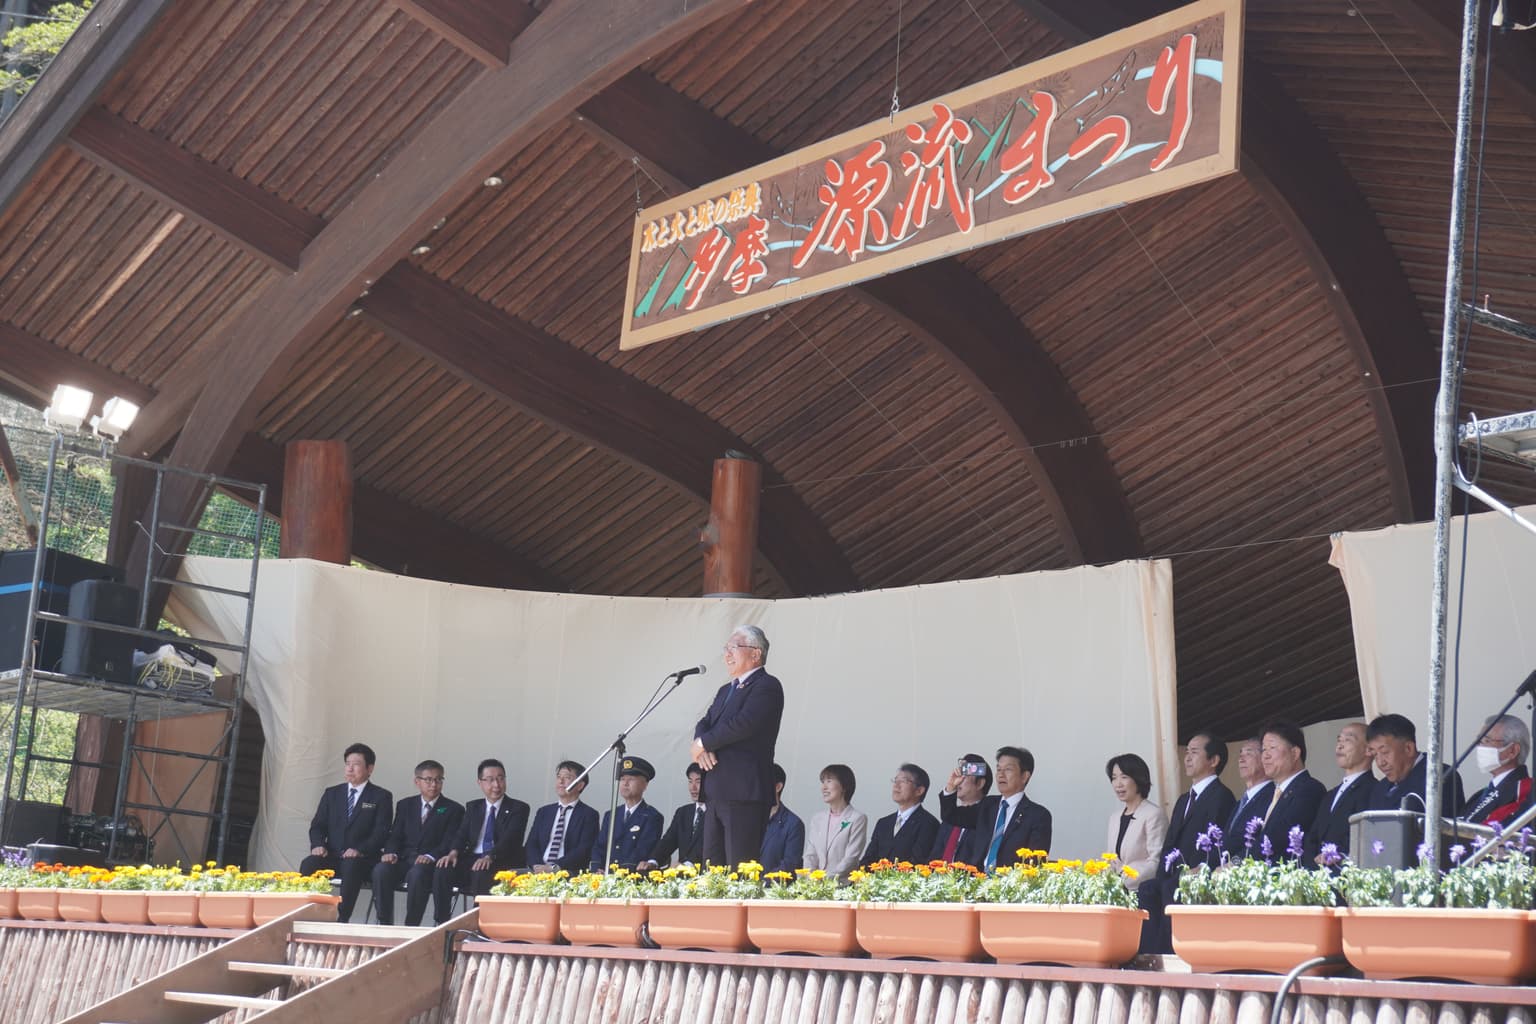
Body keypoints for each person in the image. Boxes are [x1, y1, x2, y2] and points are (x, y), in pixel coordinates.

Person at [693, 625, 784, 867]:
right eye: (725, 649)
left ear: (755, 653)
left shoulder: (767, 685)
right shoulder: (726, 690)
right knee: (713, 869)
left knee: (739, 868)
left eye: (733, 648)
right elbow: (705, 721)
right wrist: (700, 744)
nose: (727, 654)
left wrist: (704, 743)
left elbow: (744, 724)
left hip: (744, 791)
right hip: (715, 790)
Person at [1137, 732, 1233, 955]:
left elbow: (1217, 841)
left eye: (1195, 752)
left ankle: (1168, 956)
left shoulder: (1221, 796)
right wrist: (1161, 874)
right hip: (1174, 873)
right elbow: (1170, 841)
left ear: (1214, 760)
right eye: (1186, 752)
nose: (1187, 757)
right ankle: (1147, 956)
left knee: (1172, 888)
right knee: (1149, 888)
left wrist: (1200, 869)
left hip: (1197, 873)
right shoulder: (1183, 799)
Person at [301, 742, 393, 923]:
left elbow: (381, 832)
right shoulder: (332, 794)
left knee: (352, 865)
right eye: (347, 763)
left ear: (370, 768)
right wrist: (318, 844)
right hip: (333, 854)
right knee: (309, 864)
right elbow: (317, 825)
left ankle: (342, 919)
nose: (350, 768)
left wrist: (360, 849)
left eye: (356, 764)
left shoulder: (380, 796)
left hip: (363, 858)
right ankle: (305, 914)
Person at [373, 759, 464, 926]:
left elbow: (450, 840)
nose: (433, 784)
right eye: (428, 779)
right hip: (404, 859)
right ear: (417, 781)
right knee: (381, 870)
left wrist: (431, 855)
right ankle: (384, 921)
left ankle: (411, 925)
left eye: (438, 779)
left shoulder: (453, 809)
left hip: (430, 863)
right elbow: (395, 835)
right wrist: (390, 852)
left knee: (418, 874)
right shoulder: (405, 805)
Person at [433, 758, 529, 911]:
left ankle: (478, 922)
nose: (496, 785)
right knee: (443, 869)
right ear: (480, 782)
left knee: (481, 872)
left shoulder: (519, 808)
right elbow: (462, 833)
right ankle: (441, 921)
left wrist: (489, 856)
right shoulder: (473, 807)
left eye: (500, 779)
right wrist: (453, 853)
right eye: (490, 780)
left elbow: (510, 839)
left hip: (500, 860)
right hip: (472, 859)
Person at [956, 746, 1051, 870]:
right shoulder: (987, 805)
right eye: (998, 769)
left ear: (1024, 776)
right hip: (978, 881)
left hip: (1009, 884)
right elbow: (952, 816)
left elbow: (1035, 863)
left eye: (1008, 769)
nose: (1001, 774)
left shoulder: (1038, 815)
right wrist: (950, 788)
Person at [1365, 713, 1465, 813]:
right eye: (1375, 755)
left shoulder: (1440, 777)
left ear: (1409, 748)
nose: (1380, 763)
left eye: (1385, 752)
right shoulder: (1379, 789)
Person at [1306, 723, 1373, 865]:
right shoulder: (1330, 795)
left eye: (1348, 740)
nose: (1339, 746)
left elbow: (1366, 839)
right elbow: (1313, 837)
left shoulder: (1373, 789)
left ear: (1368, 749)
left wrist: (1341, 857)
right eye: (1339, 740)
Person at [524, 760, 601, 872]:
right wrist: (536, 865)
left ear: (580, 785)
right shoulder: (544, 812)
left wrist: (554, 867)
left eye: (567, 777)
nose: (561, 781)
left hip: (567, 872)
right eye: (559, 776)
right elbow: (532, 843)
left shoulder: (589, 814)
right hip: (538, 870)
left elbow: (584, 849)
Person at [591, 757, 665, 871]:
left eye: (631, 779)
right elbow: (600, 847)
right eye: (622, 779)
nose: (625, 783)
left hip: (631, 877)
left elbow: (643, 849)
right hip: (604, 876)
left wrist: (620, 872)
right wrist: (597, 868)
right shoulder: (611, 815)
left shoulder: (652, 816)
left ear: (645, 785)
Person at [1104, 753, 1166, 886]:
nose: (1118, 784)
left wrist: (1124, 881)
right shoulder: (1114, 817)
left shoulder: (1153, 814)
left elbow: (1156, 861)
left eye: (1124, 777)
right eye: (1114, 778)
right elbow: (1111, 860)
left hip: (1139, 889)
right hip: (1114, 891)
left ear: (1138, 779)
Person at [860, 763, 939, 866]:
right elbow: (868, 859)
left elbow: (918, 863)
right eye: (895, 780)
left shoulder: (929, 824)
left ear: (919, 790)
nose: (896, 785)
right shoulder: (883, 823)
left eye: (904, 781)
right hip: (874, 880)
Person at [803, 763, 868, 881]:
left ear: (844, 786)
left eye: (829, 781)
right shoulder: (817, 819)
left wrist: (824, 879)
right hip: (814, 887)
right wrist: (810, 878)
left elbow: (851, 858)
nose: (823, 787)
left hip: (841, 887)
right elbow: (810, 855)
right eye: (823, 782)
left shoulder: (857, 818)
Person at [1463, 714, 1532, 825]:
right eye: (1479, 741)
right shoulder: (1479, 796)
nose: (1480, 747)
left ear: (1512, 751)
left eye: (1486, 741)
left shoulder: (1527, 790)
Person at [640, 763, 706, 870]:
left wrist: (688, 865)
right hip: (681, 878)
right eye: (690, 781)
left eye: (698, 782)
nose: (693, 787)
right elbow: (668, 841)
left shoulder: (718, 813)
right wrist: (653, 861)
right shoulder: (683, 812)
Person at [932, 754, 991, 862]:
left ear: (980, 783)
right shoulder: (948, 819)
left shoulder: (987, 815)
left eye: (964, 776)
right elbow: (935, 856)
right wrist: (950, 787)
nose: (958, 781)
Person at [1223, 738, 1274, 859]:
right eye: (1240, 754)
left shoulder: (1273, 797)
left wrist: (1234, 863)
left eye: (1249, 753)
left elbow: (1261, 843)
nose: (1241, 759)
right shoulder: (1239, 803)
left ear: (1264, 759)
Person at [759, 763, 804, 873]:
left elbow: (790, 864)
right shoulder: (747, 819)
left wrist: (762, 882)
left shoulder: (793, 824)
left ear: (778, 787)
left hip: (775, 888)